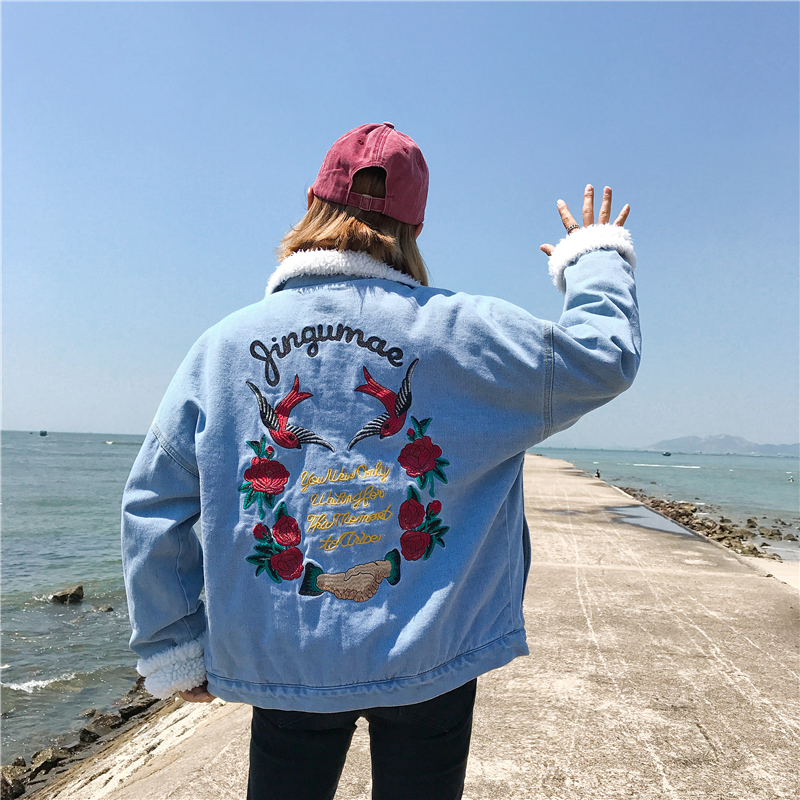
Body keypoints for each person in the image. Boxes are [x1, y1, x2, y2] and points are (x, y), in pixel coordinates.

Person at [121, 122, 640, 800]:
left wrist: (173, 644)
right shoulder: (467, 331)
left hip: (288, 655)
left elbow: (154, 500)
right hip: (432, 650)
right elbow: (601, 359)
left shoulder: (223, 347)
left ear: (313, 203)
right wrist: (594, 259)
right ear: (413, 227)